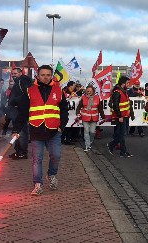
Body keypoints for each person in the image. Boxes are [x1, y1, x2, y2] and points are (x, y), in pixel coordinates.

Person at [12, 64, 69, 196]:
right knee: (37, 159)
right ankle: (38, 184)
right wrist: (16, 129)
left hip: (54, 130)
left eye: (48, 75)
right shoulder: (29, 91)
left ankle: (51, 174)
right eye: (43, 75)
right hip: (36, 130)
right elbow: (23, 113)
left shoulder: (58, 91)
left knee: (56, 155)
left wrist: (62, 126)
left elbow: (64, 110)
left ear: (52, 76)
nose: (45, 77)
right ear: (38, 75)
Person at [8, 68, 33, 160]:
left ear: (20, 73)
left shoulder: (22, 81)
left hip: (21, 110)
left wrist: (16, 101)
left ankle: (22, 152)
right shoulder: (19, 81)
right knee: (17, 131)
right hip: (17, 110)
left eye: (15, 73)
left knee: (22, 131)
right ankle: (18, 151)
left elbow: (26, 95)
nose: (13, 75)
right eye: (12, 73)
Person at [106, 76, 134, 158]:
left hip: (125, 116)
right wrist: (119, 116)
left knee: (122, 133)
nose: (128, 85)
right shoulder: (117, 92)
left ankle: (115, 146)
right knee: (122, 134)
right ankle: (122, 150)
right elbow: (115, 105)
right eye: (127, 83)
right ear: (123, 83)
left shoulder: (124, 91)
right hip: (121, 117)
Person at [76, 85, 105, 152]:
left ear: (93, 91)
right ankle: (87, 145)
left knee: (92, 132)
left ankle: (90, 142)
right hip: (85, 117)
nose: (89, 92)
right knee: (86, 131)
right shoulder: (83, 97)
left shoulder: (97, 97)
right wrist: (78, 113)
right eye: (88, 91)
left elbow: (100, 108)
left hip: (94, 117)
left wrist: (103, 117)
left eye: (90, 91)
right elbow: (79, 107)